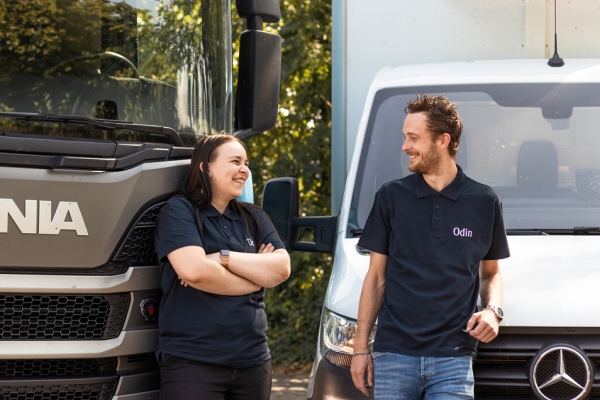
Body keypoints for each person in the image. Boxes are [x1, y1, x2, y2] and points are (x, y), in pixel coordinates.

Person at [350, 94, 510, 399]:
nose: (404, 146)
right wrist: (360, 350)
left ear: (442, 140)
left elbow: (491, 274)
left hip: (454, 359)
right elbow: (376, 278)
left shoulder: (484, 202)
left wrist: (493, 311)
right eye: (404, 137)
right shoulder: (390, 197)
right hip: (394, 355)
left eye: (413, 138)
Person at [154, 134, 291, 400]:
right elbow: (195, 271)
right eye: (235, 161)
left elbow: (281, 268)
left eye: (246, 162)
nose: (244, 169)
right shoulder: (179, 211)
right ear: (205, 167)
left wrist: (222, 258)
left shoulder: (254, 217)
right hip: (193, 363)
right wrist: (255, 278)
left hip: (254, 361)